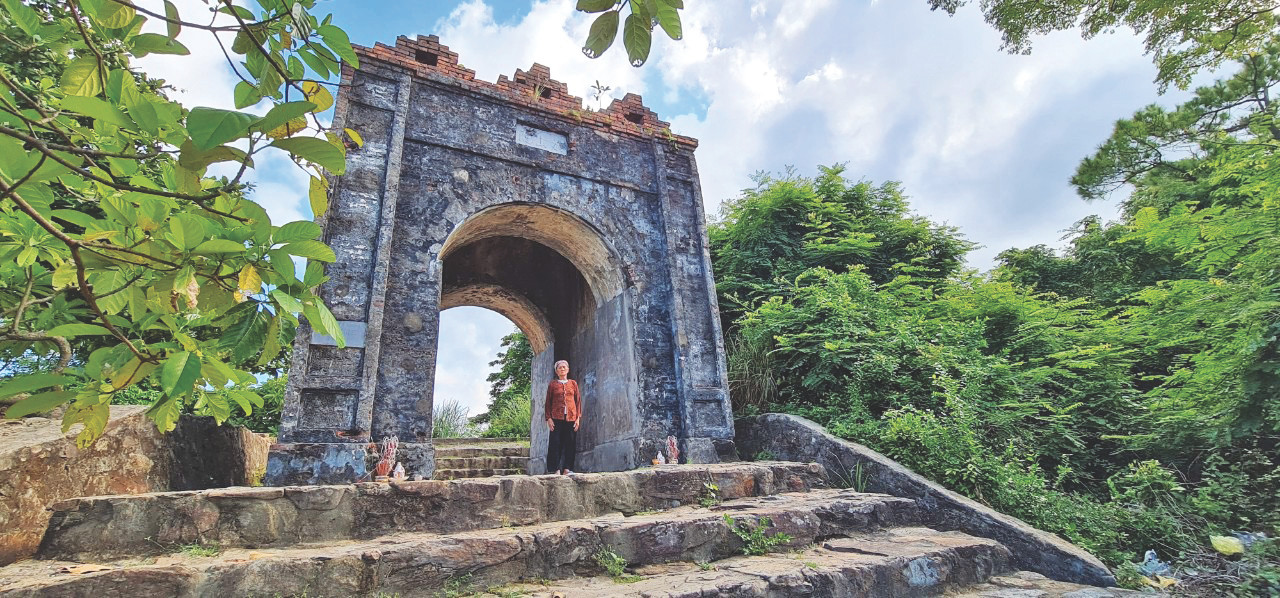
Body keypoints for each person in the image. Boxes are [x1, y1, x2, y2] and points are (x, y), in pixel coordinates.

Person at [544, 359, 582, 475]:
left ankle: (567, 469)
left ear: (568, 370)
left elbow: (578, 401)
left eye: (564, 367)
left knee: (570, 443)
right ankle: (555, 469)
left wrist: (578, 418)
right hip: (556, 417)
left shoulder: (573, 383)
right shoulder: (553, 384)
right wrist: (549, 418)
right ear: (556, 371)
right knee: (555, 443)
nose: (562, 369)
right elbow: (548, 403)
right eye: (560, 367)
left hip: (571, 417)